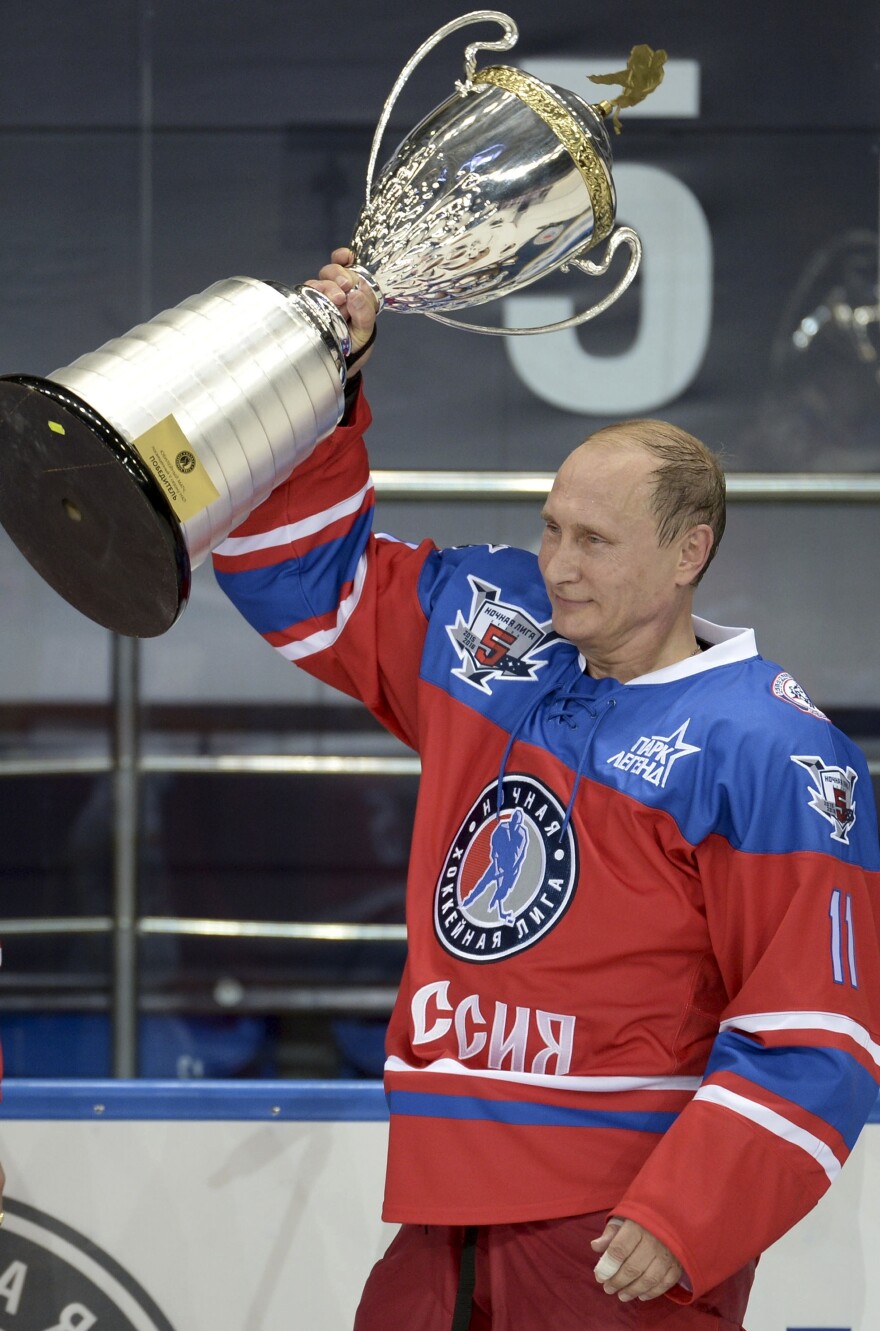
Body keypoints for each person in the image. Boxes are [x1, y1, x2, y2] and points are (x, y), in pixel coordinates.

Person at [212, 249, 880, 1330]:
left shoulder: (772, 748)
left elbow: (819, 1031)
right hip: (442, 1219)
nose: (559, 563)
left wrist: (683, 1213)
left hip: (620, 1235)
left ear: (687, 554)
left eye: (595, 541)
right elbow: (301, 581)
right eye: (551, 527)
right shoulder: (502, 638)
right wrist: (317, 382)